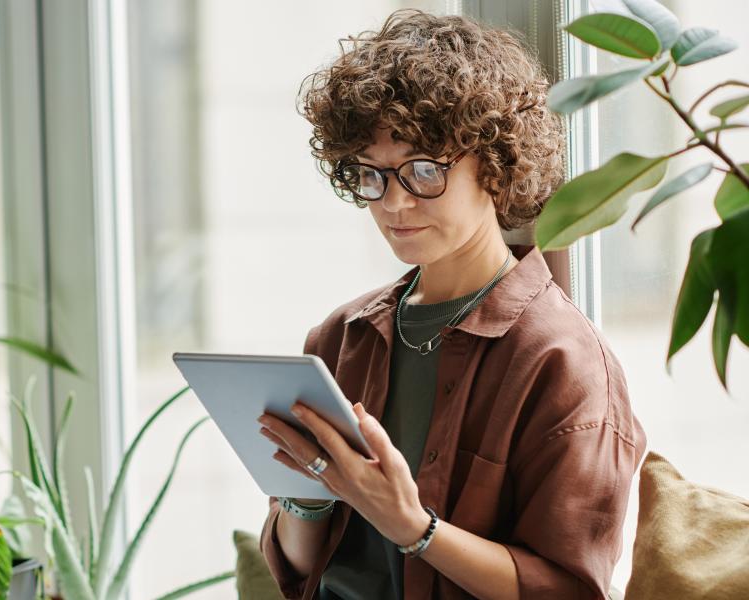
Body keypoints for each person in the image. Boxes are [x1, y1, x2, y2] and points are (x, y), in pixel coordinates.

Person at [257, 8, 647, 600]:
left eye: (421, 171)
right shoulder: (339, 338)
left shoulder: (562, 361)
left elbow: (568, 588)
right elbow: (299, 569)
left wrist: (413, 528)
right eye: (371, 175)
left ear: (494, 164)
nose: (393, 204)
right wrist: (307, 499)